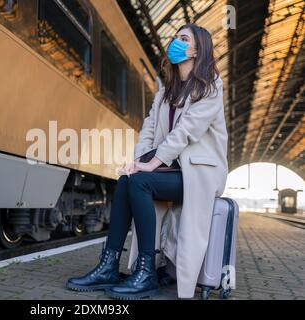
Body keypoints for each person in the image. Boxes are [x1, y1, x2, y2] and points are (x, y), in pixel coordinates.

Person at [66, 23, 228, 300]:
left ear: (198, 49)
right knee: (128, 178)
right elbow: (149, 130)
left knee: (140, 182)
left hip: (198, 175)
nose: (175, 42)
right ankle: (108, 266)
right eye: (175, 37)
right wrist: (138, 160)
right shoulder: (166, 92)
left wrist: (152, 164)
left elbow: (186, 131)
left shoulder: (210, 87)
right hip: (171, 170)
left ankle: (146, 271)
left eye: (183, 39)